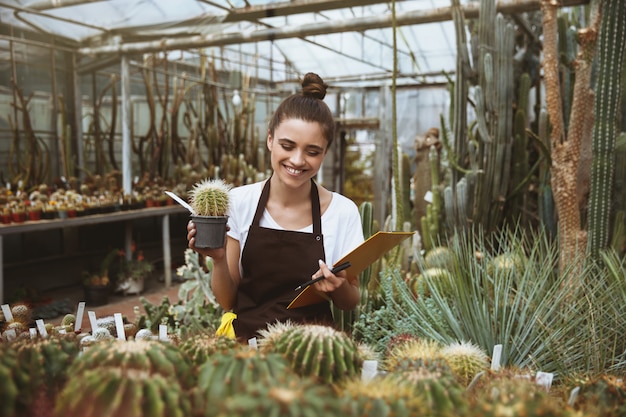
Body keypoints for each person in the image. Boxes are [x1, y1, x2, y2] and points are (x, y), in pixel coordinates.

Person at [187, 72, 364, 341]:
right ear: (270, 139)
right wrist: (219, 260)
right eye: (287, 145)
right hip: (249, 350)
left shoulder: (343, 211)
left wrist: (337, 287)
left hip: (312, 350)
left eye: (312, 152)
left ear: (325, 153)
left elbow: (349, 302)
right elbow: (227, 300)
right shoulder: (239, 202)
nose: (297, 160)